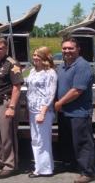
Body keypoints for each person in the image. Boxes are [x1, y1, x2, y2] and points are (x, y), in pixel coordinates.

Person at [54, 37, 95, 183]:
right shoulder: (62, 66)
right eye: (65, 48)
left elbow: (77, 91)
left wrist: (59, 103)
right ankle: (70, 164)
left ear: (78, 49)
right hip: (64, 112)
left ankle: (87, 172)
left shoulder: (82, 66)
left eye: (70, 48)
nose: (67, 51)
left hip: (79, 112)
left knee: (82, 143)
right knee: (67, 141)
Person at [0, 37, 24, 179]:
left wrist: (12, 107)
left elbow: (17, 87)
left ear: (6, 49)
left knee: (8, 136)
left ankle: (11, 165)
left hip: (6, 103)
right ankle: (2, 160)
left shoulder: (12, 64)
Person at [25, 47, 57, 178]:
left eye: (38, 56)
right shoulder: (33, 71)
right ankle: (39, 166)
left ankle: (45, 169)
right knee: (35, 140)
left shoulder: (50, 73)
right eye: (34, 55)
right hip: (32, 110)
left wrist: (42, 112)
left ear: (45, 57)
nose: (35, 58)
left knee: (43, 141)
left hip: (42, 110)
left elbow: (50, 94)